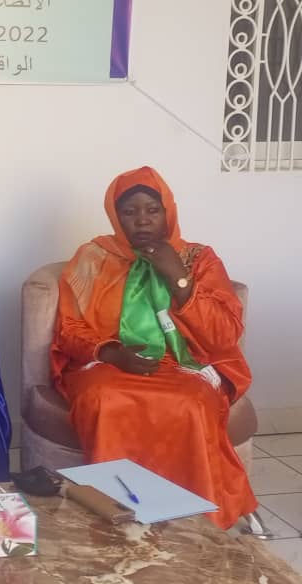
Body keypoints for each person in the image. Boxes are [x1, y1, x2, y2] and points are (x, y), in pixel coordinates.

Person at [52, 167, 257, 529]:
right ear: (115, 216)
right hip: (112, 362)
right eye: (130, 212)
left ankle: (194, 523)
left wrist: (177, 277)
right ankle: (115, 515)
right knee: (103, 398)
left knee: (190, 404)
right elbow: (69, 327)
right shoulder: (94, 257)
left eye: (152, 210)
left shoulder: (199, 259)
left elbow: (223, 335)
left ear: (168, 212)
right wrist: (111, 353)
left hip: (185, 364)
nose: (142, 220)